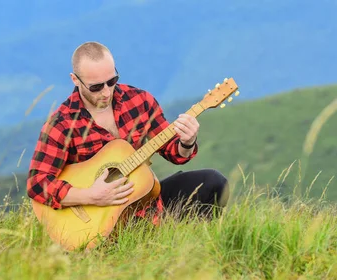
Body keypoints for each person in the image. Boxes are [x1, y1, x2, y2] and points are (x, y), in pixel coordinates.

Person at [26, 41, 229, 225]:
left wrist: (187, 142)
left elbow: (174, 153)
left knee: (214, 182)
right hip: (102, 219)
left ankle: (196, 249)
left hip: (146, 200)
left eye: (111, 81)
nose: (106, 92)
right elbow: (37, 184)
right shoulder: (62, 123)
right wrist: (90, 196)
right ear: (75, 80)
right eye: (96, 87)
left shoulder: (139, 101)